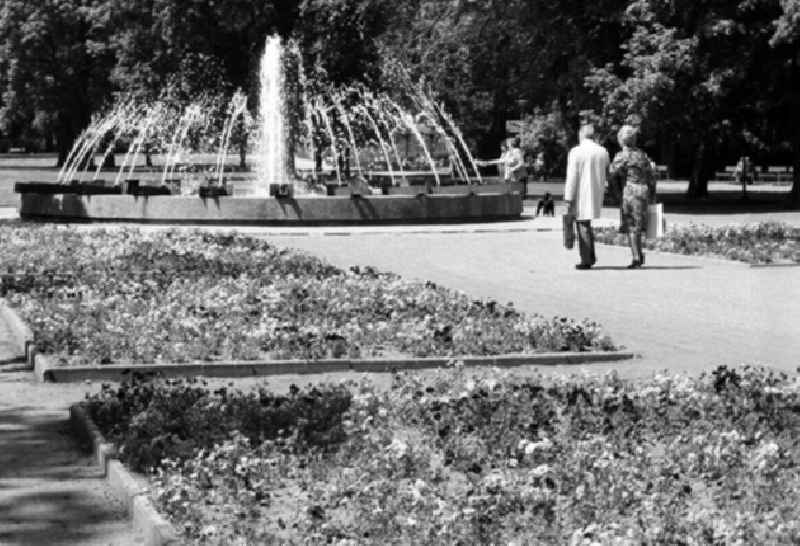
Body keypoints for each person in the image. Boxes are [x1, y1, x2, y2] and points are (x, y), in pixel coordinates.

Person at [608, 125, 656, 269]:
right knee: (639, 226)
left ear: (621, 140)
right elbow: (650, 175)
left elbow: (611, 173)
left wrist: (614, 192)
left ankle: (637, 258)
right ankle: (639, 255)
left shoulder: (622, 155)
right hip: (644, 191)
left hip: (631, 192)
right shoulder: (642, 154)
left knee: (632, 226)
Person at [564, 124, 610, 269]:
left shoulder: (576, 151)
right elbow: (607, 170)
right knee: (586, 224)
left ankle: (586, 260)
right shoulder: (603, 151)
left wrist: (568, 197)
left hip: (580, 192)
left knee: (582, 224)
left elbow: (572, 177)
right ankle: (590, 256)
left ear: (581, 135)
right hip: (596, 191)